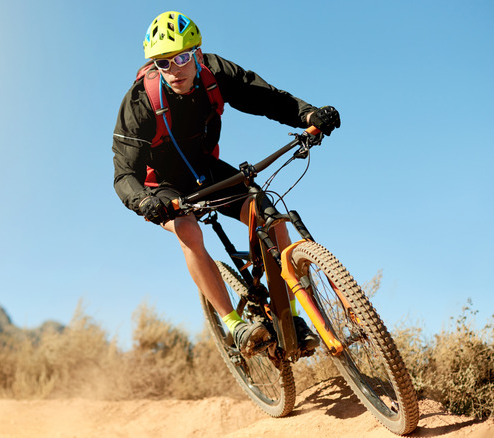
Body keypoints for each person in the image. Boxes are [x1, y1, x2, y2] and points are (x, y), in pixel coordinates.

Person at [113, 11, 341, 357]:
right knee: (188, 231)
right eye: (163, 63)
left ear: (198, 53)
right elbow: (123, 173)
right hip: (161, 187)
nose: (174, 70)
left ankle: (291, 317)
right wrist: (144, 202)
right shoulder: (140, 101)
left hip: (205, 169)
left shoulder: (216, 73)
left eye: (182, 58)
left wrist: (308, 114)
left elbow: (268, 99)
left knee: (269, 215)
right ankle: (235, 324)